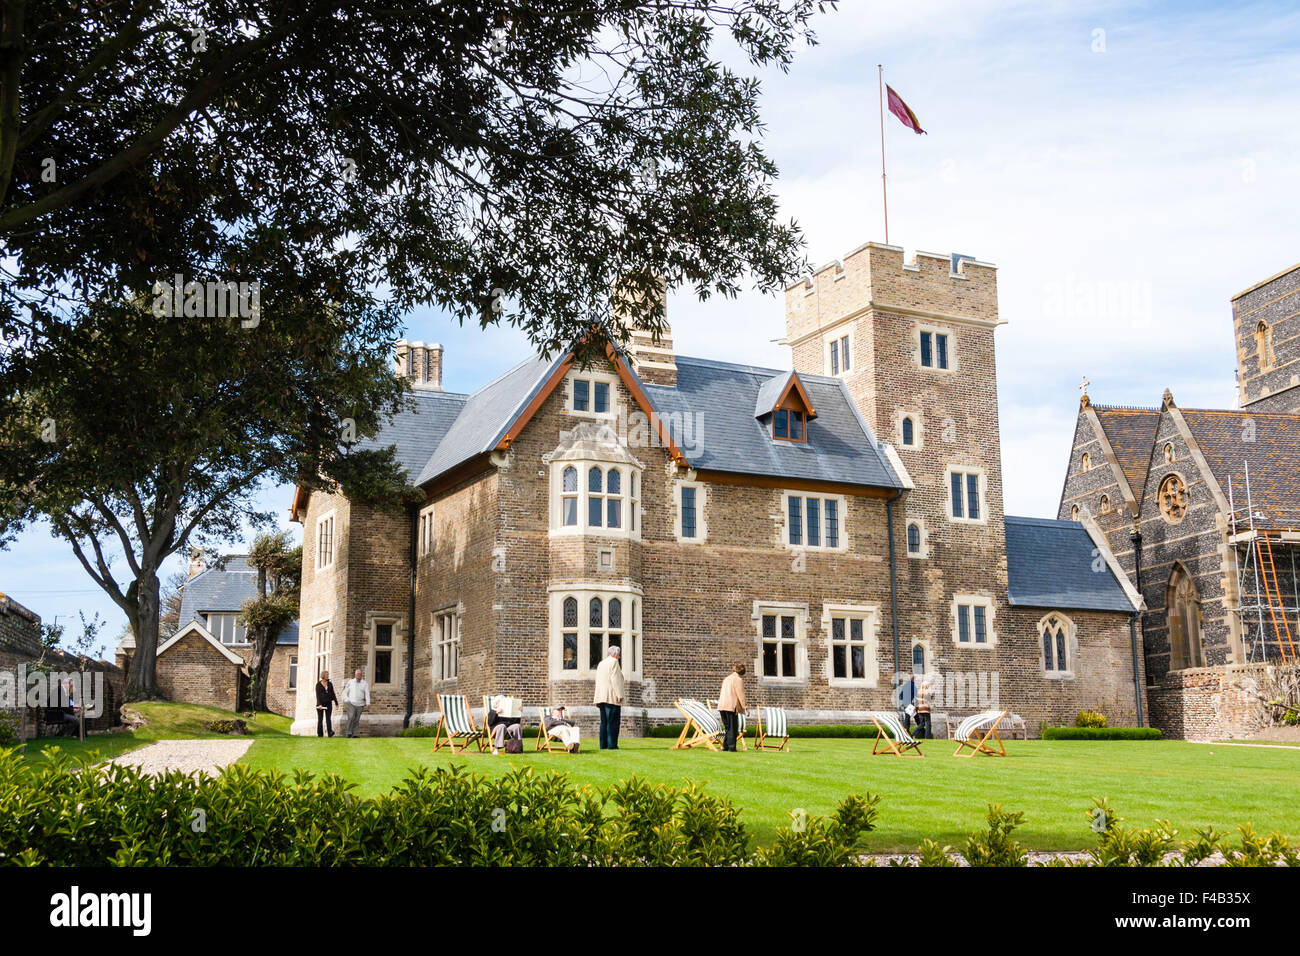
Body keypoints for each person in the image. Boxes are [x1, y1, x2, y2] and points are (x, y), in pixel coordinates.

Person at [593, 645, 625, 750]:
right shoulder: (614, 662)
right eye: (619, 654)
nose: (619, 657)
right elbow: (615, 679)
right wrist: (619, 695)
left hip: (601, 697)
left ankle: (603, 745)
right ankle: (612, 745)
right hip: (611, 696)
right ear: (615, 654)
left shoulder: (601, 663)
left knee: (604, 722)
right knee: (613, 722)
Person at [717, 663, 747, 752]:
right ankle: (731, 747)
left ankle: (725, 747)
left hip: (722, 705)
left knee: (727, 728)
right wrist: (745, 707)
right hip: (731, 706)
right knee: (733, 728)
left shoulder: (726, 679)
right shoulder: (738, 680)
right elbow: (741, 694)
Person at [341, 668, 370, 738]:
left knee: (357, 719)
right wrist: (346, 700)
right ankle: (348, 732)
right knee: (351, 717)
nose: (359, 675)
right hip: (351, 703)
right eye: (358, 674)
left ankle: (355, 734)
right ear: (355, 675)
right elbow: (345, 692)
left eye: (360, 674)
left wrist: (368, 703)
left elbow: (367, 693)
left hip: (360, 704)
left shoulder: (365, 683)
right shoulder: (350, 682)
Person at [315, 671, 338, 737]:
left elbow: (332, 693)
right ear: (323, 676)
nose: (328, 676)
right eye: (326, 675)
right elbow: (318, 695)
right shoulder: (318, 685)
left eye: (328, 674)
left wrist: (336, 702)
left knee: (328, 718)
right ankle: (320, 734)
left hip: (328, 703)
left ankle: (330, 732)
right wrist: (319, 704)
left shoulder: (330, 684)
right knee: (320, 719)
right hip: (320, 704)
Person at [914, 674, 932, 740]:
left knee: (922, 723)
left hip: (919, 708)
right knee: (928, 723)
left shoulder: (919, 692)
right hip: (926, 709)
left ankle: (914, 732)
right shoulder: (928, 692)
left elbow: (917, 700)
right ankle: (927, 737)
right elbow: (930, 700)